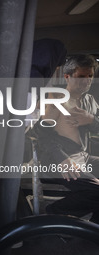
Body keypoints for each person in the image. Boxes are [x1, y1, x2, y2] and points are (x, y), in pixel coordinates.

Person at [36, 54, 99, 222]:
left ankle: (93, 229)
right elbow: (41, 134)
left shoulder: (90, 101)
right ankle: (55, 211)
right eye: (81, 76)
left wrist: (92, 120)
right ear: (67, 77)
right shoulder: (56, 99)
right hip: (57, 160)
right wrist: (61, 158)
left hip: (83, 156)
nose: (86, 81)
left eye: (90, 76)